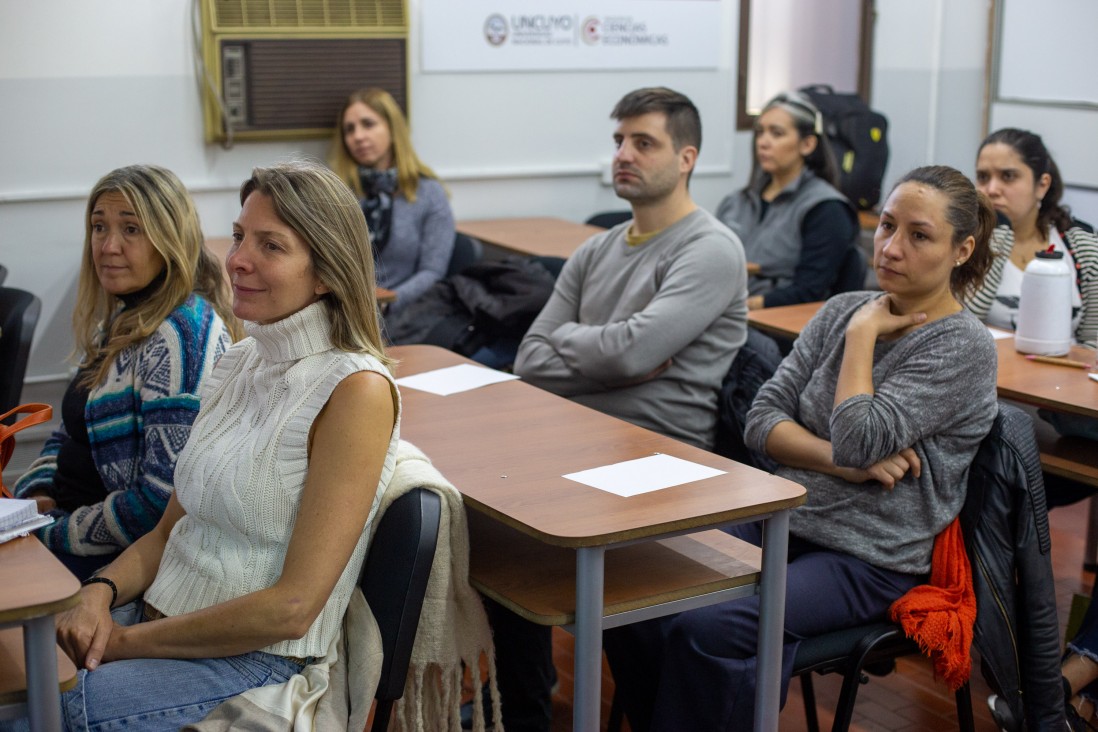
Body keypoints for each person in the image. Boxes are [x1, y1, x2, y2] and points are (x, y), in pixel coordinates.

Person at [5, 161, 400, 731]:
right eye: (240, 236)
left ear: (326, 273)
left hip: (250, 660)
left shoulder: (355, 390)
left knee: (35, 711)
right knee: (14, 674)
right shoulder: (241, 359)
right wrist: (99, 591)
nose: (237, 258)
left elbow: (291, 608)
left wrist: (124, 642)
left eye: (271, 246)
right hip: (158, 617)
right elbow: (167, 531)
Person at [604, 165, 999, 731]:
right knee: (634, 585)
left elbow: (860, 434)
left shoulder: (961, 345)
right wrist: (846, 463)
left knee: (708, 627)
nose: (890, 247)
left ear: (962, 250)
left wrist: (863, 337)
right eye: (886, 225)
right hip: (787, 518)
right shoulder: (842, 307)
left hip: (869, 558)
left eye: (919, 235)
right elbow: (761, 421)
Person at [496, 87, 746, 732]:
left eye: (644, 142)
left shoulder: (710, 248)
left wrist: (595, 351)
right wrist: (611, 354)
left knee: (561, 555)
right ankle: (526, 712)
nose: (624, 155)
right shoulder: (596, 249)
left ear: (686, 157)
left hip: (662, 457)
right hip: (578, 439)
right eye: (619, 142)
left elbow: (633, 355)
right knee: (487, 536)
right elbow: (530, 359)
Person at [13, 165, 235, 579]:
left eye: (131, 229)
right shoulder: (122, 318)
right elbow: (70, 428)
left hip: (118, 558)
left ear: (169, 239)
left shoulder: (180, 335)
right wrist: (37, 494)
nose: (108, 245)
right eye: (99, 227)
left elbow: (160, 503)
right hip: (65, 523)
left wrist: (50, 533)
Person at [715, 90, 860, 309]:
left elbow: (809, 291)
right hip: (724, 310)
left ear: (807, 144)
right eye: (760, 132)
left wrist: (742, 307)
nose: (763, 142)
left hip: (770, 321)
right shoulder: (735, 202)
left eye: (777, 133)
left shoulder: (826, 208)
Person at [968, 127, 1098, 348]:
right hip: (987, 375)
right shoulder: (963, 245)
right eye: (983, 177)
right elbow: (961, 331)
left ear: (1042, 185)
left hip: (1063, 377)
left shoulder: (1080, 245)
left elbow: (1094, 342)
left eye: (1008, 176)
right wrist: (997, 233)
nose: (991, 189)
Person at [329, 87, 455, 315]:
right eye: (349, 129)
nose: (358, 136)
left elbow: (432, 271)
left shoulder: (428, 193)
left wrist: (385, 305)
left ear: (392, 129)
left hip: (398, 312)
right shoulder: (337, 193)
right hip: (339, 309)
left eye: (368, 124)